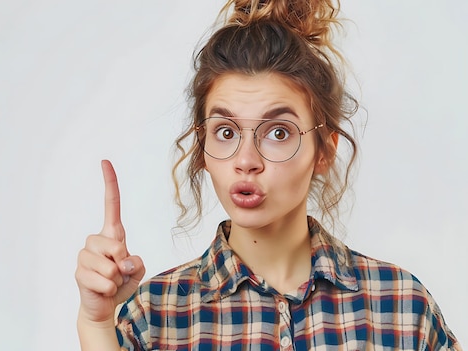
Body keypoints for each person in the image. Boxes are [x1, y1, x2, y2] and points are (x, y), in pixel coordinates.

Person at [74, 0, 462, 350]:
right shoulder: (155, 316)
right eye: (225, 133)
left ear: (324, 150)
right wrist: (95, 324)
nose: (246, 160)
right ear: (202, 149)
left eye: (278, 133)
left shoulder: (401, 308)